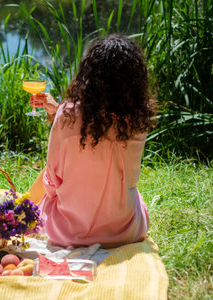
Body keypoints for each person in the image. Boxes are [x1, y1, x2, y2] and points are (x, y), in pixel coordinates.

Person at [28, 34, 155, 248]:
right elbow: (130, 178)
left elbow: (52, 178)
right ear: (135, 80)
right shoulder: (137, 121)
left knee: (46, 184)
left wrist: (61, 113)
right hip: (125, 229)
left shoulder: (68, 115)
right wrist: (58, 110)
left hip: (68, 232)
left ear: (89, 74)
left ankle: (22, 204)